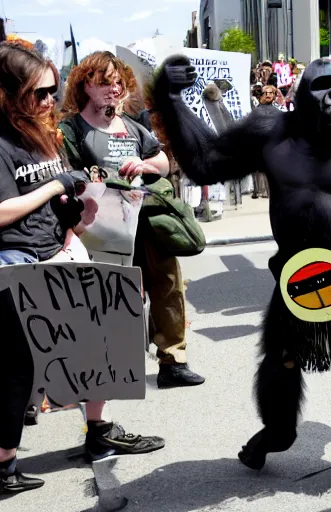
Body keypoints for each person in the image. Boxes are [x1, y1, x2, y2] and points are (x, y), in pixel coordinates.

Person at [0, 43, 165, 495]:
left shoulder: (46, 133)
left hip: (61, 250)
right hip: (18, 263)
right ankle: (4, 466)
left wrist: (77, 217)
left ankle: (100, 431)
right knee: (17, 369)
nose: (50, 101)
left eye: (52, 91)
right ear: (9, 94)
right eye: (39, 93)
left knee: (101, 343)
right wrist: (57, 184)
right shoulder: (2, 141)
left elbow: (61, 194)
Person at [59, 51, 205, 388]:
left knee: (168, 287)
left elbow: (163, 162)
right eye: (103, 81)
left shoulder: (132, 126)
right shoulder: (71, 129)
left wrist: (146, 166)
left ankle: (173, 361)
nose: (113, 88)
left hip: (149, 224)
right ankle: (109, 368)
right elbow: (68, 175)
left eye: (117, 81)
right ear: (85, 85)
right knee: (110, 295)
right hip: (102, 229)